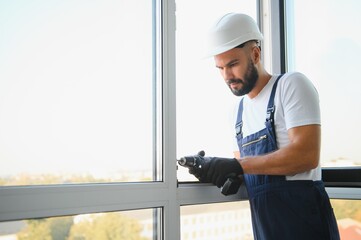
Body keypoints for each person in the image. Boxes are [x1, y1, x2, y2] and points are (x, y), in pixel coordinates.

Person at [188, 13, 340, 239]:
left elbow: (307, 155)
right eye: (220, 68)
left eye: (233, 64)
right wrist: (214, 169)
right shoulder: (236, 113)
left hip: (307, 226)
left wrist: (238, 165)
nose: (227, 76)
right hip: (266, 230)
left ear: (256, 53)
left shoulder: (291, 86)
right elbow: (248, 171)